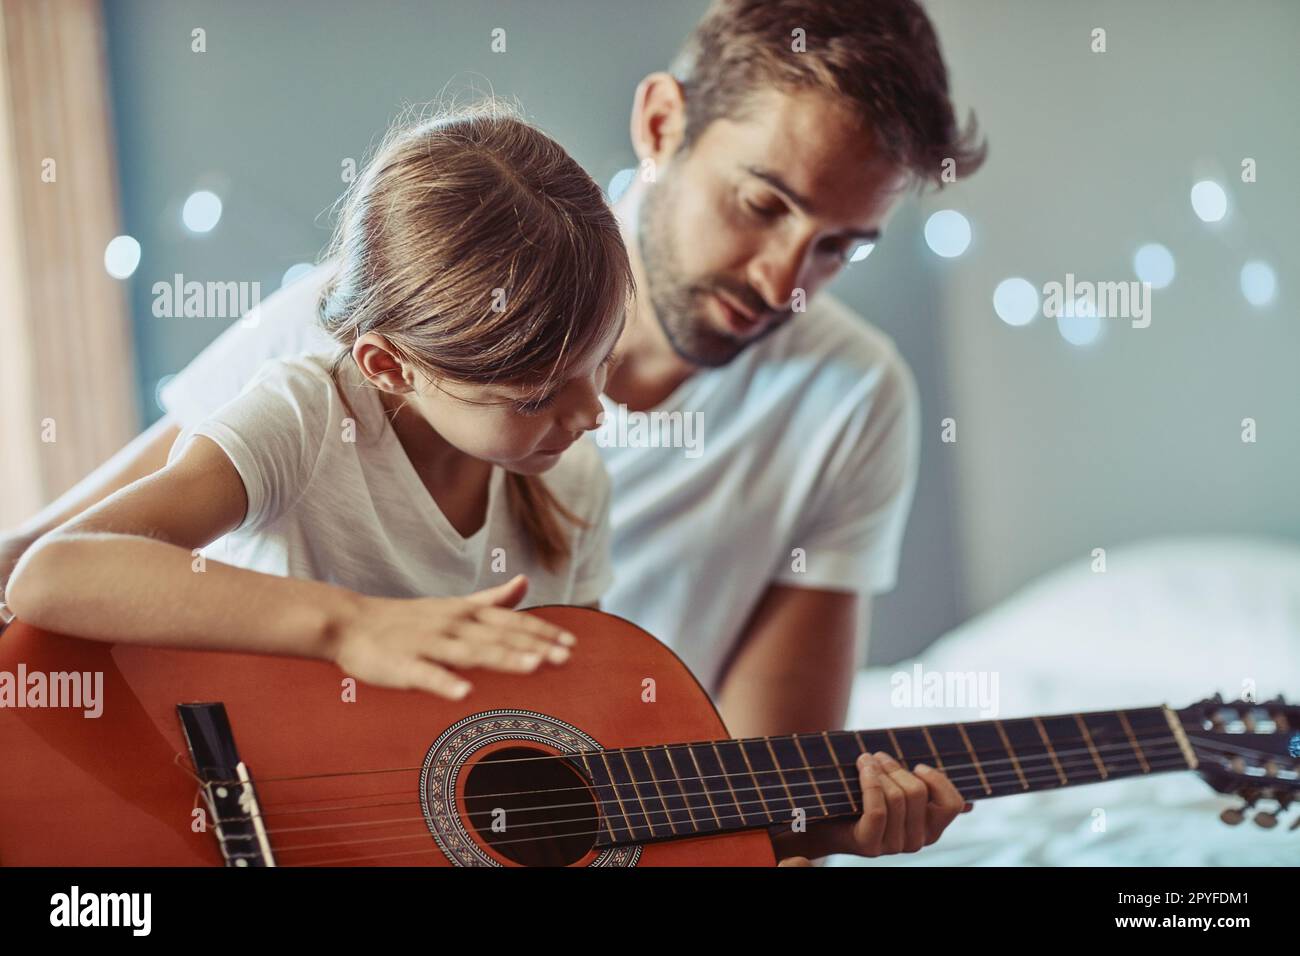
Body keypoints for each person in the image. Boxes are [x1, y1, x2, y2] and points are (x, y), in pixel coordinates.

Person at [3, 0, 984, 862]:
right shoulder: (331, 363)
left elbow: (622, 753)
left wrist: (822, 827)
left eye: (841, 246)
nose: (784, 281)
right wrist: (348, 627)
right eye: (761, 202)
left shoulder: (598, 472)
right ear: (659, 124)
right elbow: (48, 566)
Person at [7, 105, 631, 699]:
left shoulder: (572, 484)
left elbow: (578, 705)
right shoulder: (305, 418)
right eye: (536, 397)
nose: (592, 414)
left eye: (602, 361)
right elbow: (53, 572)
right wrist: (349, 626)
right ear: (389, 367)